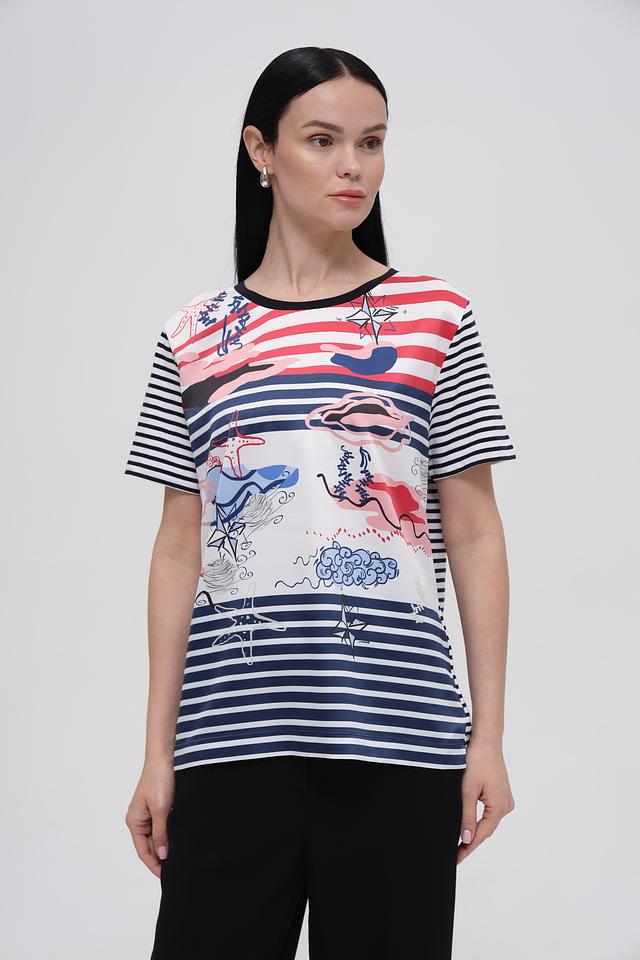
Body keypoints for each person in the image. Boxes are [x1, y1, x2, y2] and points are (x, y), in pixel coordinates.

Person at [123, 46, 517, 960]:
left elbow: (475, 531)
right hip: (229, 736)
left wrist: (487, 738)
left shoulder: (436, 317)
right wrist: (156, 753)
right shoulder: (192, 336)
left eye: (372, 143)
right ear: (260, 150)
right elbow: (179, 548)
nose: (354, 167)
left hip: (399, 739)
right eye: (323, 140)